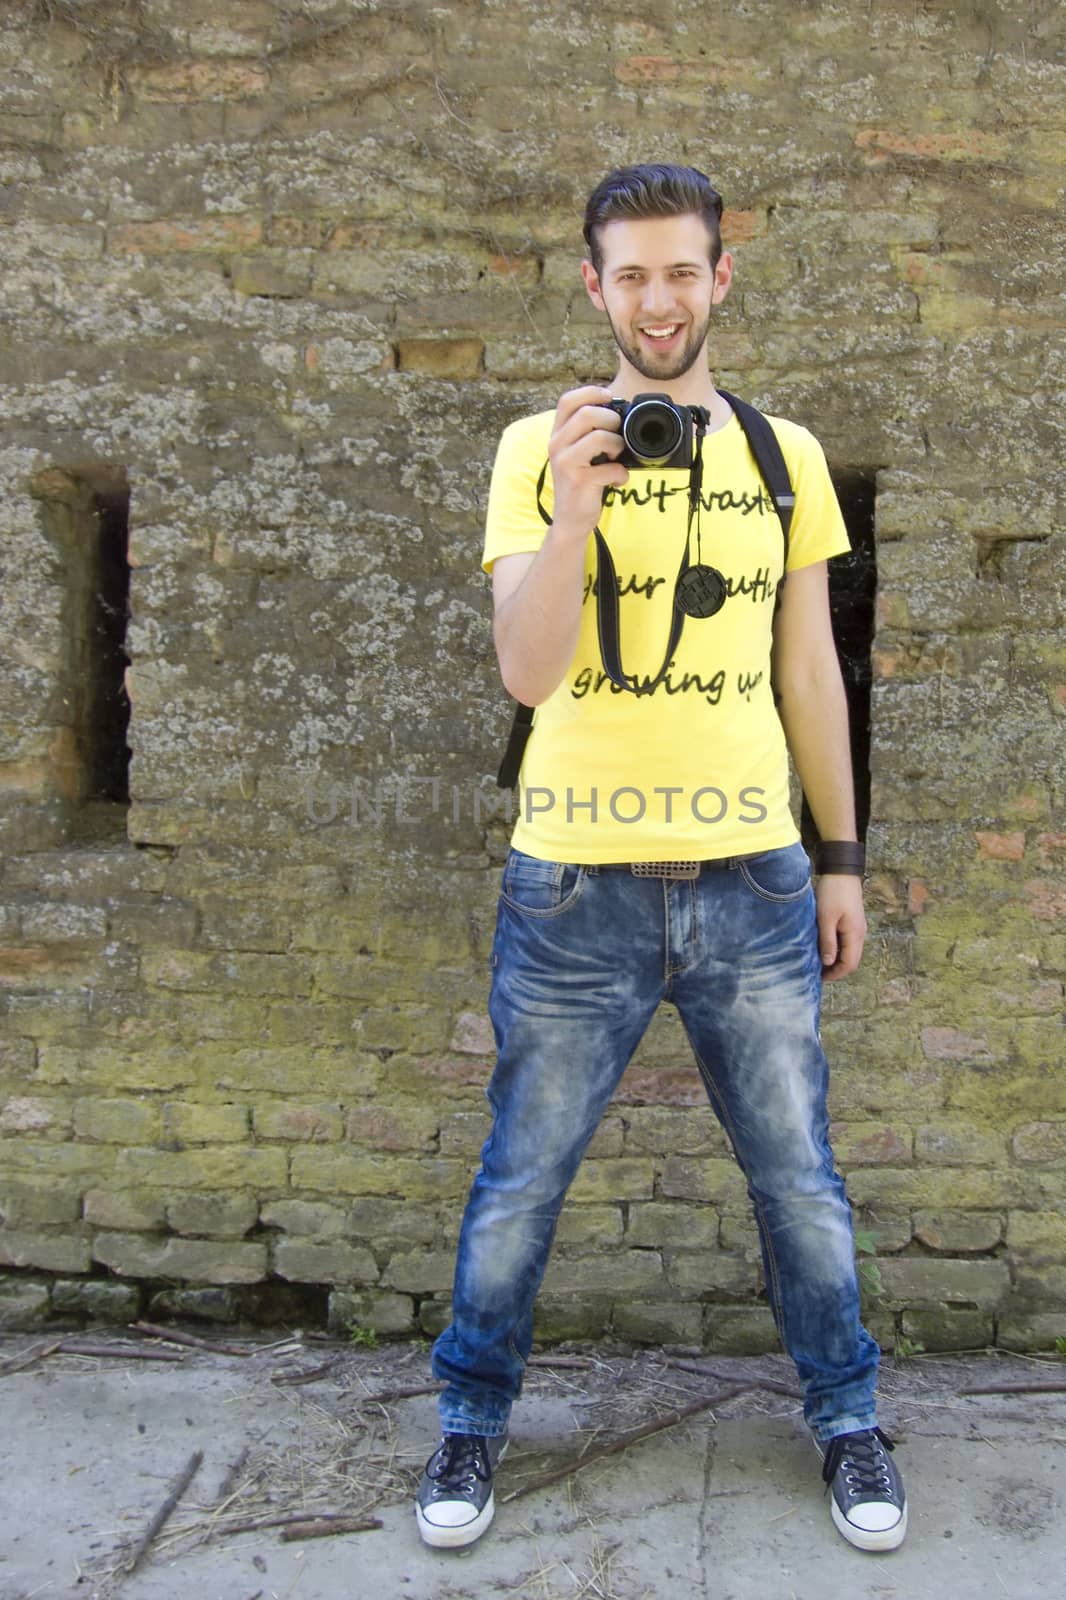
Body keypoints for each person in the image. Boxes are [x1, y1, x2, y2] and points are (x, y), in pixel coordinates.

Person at [415, 163, 906, 1556]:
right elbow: (526, 670)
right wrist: (575, 505)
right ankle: (470, 1420)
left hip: (752, 875)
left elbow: (808, 669)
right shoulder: (538, 443)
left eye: (679, 270)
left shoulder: (780, 453)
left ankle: (848, 1418)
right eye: (627, 274)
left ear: (719, 279)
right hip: (572, 882)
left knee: (797, 1175)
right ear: (591, 287)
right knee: (522, 1175)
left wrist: (840, 858)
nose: (656, 299)